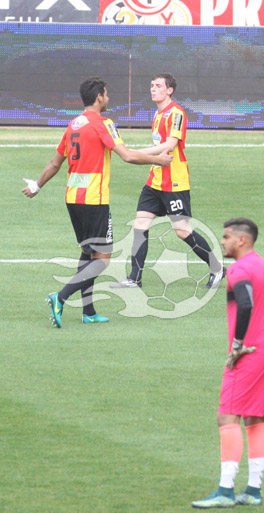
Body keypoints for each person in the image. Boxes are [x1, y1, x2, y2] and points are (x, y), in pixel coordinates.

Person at [21, 77, 172, 327]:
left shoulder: (73, 125)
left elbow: (55, 163)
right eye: (106, 94)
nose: (108, 98)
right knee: (102, 259)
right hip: (94, 200)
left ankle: (88, 311)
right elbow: (126, 156)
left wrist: (36, 185)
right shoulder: (104, 124)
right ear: (99, 97)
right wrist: (159, 161)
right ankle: (60, 297)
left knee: (87, 253)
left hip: (73, 199)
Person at [192, 218, 264, 509]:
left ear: (242, 240)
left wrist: (238, 344)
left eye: (226, 237)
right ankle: (253, 491)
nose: (222, 241)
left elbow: (245, 303)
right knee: (255, 418)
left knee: (227, 417)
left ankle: (225, 491)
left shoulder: (239, 269)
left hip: (250, 349)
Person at [111, 73, 224, 290]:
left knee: (182, 230)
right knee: (140, 224)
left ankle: (217, 269)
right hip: (155, 180)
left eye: (158, 86)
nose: (153, 89)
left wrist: (135, 153)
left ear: (169, 90)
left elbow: (170, 145)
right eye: (151, 85)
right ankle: (135, 278)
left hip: (174, 182)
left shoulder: (176, 113)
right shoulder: (158, 114)